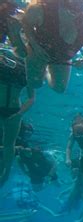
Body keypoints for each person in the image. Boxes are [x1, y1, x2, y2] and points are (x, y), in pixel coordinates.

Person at [21, 0, 83, 93]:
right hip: (39, 49)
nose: (76, 12)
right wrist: (35, 46)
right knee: (35, 84)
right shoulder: (43, 8)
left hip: (61, 57)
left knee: (59, 89)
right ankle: (35, 67)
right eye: (73, 6)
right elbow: (26, 23)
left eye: (80, 9)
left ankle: (47, 70)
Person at [0, 52, 35, 187]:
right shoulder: (4, 57)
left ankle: (6, 172)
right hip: (14, 111)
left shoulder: (27, 68)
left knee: (9, 144)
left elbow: (32, 97)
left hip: (14, 112)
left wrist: (20, 114)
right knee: (9, 144)